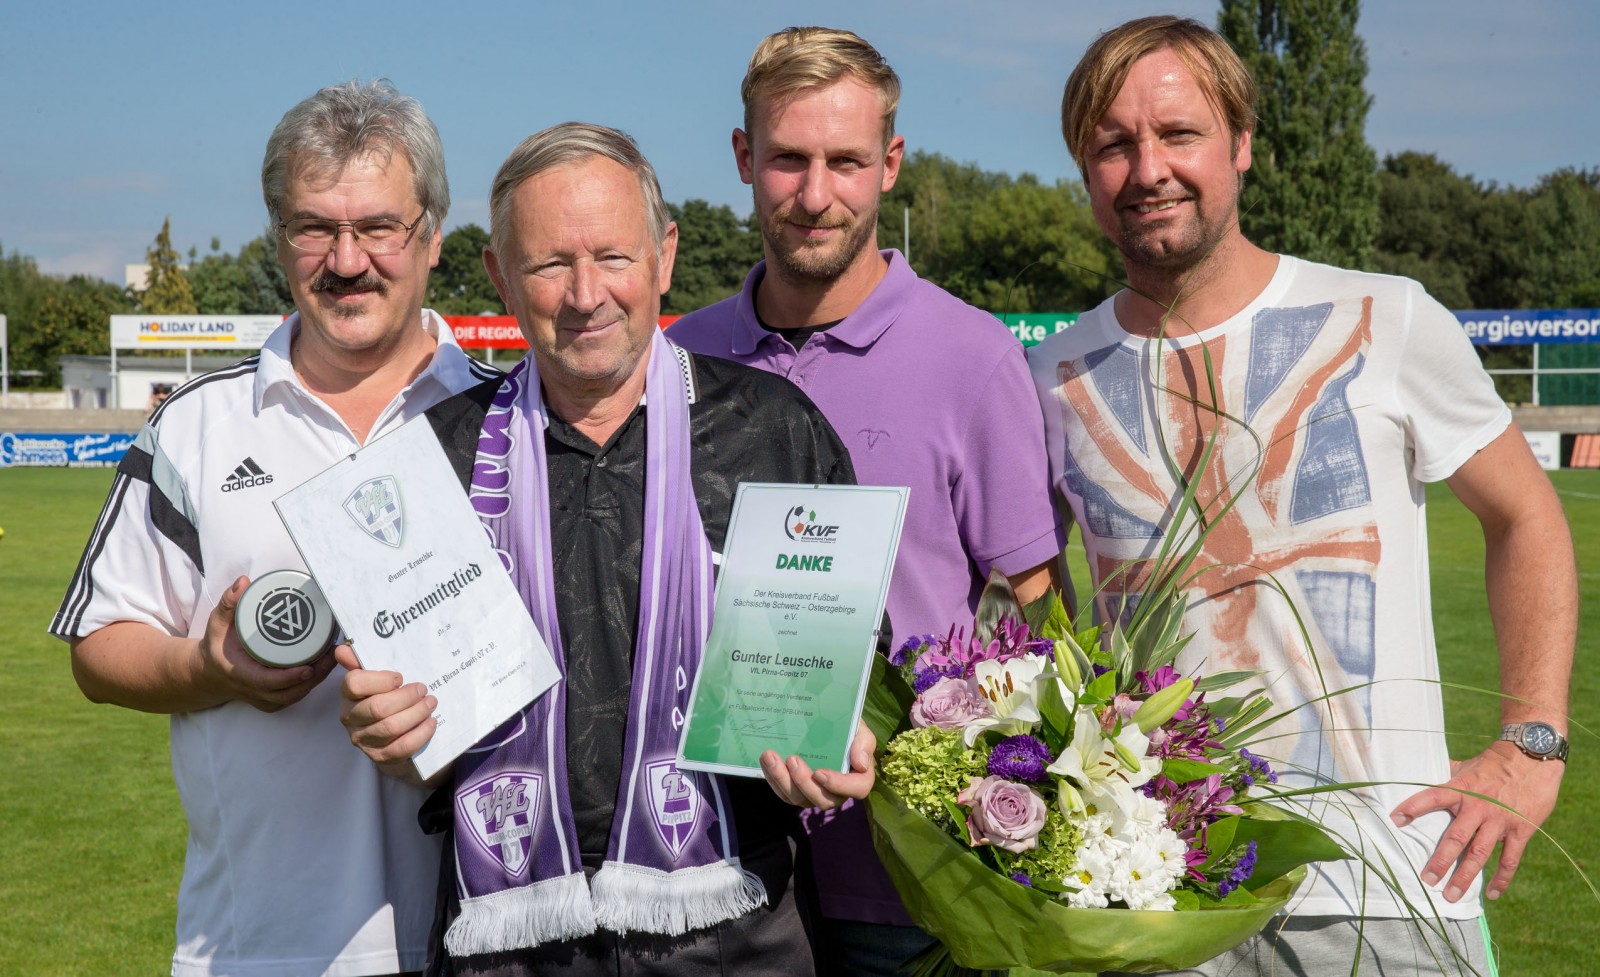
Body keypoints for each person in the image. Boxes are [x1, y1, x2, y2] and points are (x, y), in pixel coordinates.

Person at [1029, 16, 1577, 975]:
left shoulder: (1385, 315)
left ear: (1241, 144)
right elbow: (1040, 609)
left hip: (1388, 884)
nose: (1148, 167)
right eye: (1114, 144)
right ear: (1085, 172)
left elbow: (1525, 514)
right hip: (1164, 898)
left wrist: (1531, 744)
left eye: (1179, 134)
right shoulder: (1051, 376)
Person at [338, 122, 878, 977]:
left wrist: (847, 729)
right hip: (510, 936)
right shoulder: (428, 465)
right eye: (551, 262)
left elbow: (856, 665)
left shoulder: (772, 431)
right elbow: (413, 728)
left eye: (614, 257)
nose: (586, 293)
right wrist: (393, 728)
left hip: (737, 927)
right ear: (499, 274)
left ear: (664, 255)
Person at [50, 80, 501, 977]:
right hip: (257, 943)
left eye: (379, 226)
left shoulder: (508, 417)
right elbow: (97, 649)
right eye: (312, 227)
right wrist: (208, 667)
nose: (347, 258)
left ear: (434, 234)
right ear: (277, 236)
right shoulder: (197, 422)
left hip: (486, 937)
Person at [666, 28, 1065, 974]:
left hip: (905, 886)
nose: (815, 194)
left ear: (889, 165)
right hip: (707, 873)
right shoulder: (679, 360)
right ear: (742, 158)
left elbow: (1039, 619)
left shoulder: (973, 357)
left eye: (845, 161)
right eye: (788, 159)